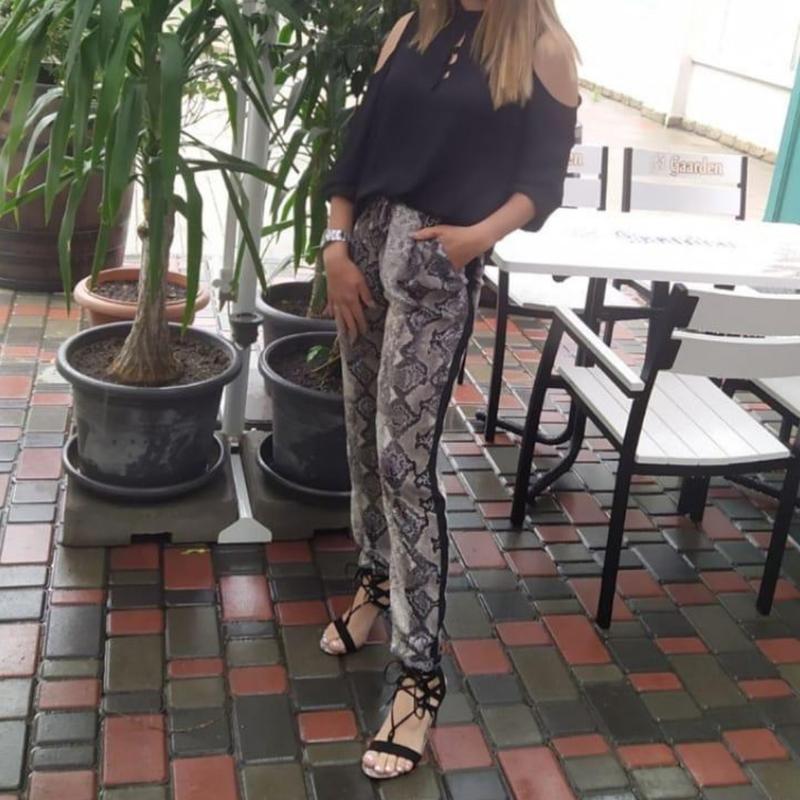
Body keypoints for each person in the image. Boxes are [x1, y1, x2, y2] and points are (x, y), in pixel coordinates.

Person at [318, 0, 580, 781]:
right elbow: (358, 145)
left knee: (405, 462)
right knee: (361, 436)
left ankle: (420, 671)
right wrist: (335, 244)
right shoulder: (411, 27)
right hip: (362, 255)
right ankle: (373, 578)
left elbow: (541, 181)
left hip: (435, 269)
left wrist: (477, 238)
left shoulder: (543, 46)